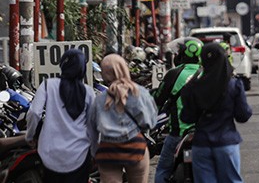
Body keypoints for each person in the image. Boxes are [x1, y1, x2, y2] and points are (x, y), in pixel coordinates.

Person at [181, 43, 253, 183]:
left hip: (201, 144)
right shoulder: (234, 85)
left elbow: (186, 117)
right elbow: (243, 115)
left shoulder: (194, 86)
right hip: (226, 143)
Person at [26, 49, 94, 182]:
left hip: (49, 154)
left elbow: (34, 113)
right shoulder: (89, 92)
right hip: (79, 154)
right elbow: (93, 126)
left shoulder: (47, 85)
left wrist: (30, 136)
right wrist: (95, 151)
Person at [88, 53, 158, 183]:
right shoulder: (139, 92)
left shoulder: (99, 99)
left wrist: (95, 152)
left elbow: (91, 130)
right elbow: (151, 122)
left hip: (108, 150)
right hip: (135, 147)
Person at [153, 39, 203, 183]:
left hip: (178, 133)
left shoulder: (174, 73)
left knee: (163, 170)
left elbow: (158, 99)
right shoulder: (207, 74)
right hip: (205, 134)